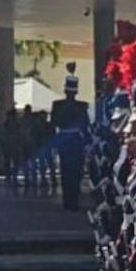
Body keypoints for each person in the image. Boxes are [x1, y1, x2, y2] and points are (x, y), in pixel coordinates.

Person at [51, 69, 91, 210]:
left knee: (66, 172)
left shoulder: (57, 105)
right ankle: (73, 202)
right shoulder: (82, 106)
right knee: (75, 173)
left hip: (64, 141)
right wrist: (87, 143)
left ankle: (67, 201)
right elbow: (85, 126)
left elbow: (53, 124)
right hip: (76, 142)